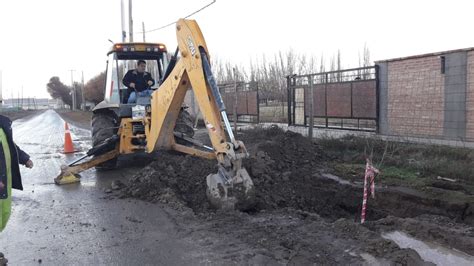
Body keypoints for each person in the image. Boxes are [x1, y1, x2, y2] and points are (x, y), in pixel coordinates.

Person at [0, 115, 33, 265]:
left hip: (4, 183)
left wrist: (24, 158)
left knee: (3, 217)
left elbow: (10, 146)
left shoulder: (2, 125)